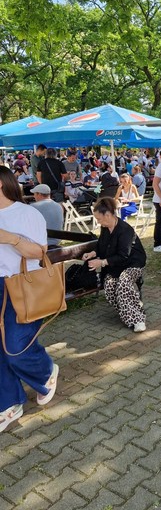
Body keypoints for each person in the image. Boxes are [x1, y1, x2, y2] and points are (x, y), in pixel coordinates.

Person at [0, 167, 59, 432]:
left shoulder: (27, 213)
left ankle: (45, 371)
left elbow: (39, 252)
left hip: (21, 286)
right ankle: (9, 402)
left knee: (15, 349)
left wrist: (10, 238)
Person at [82, 197, 147, 333]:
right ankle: (132, 307)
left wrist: (101, 262)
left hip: (133, 263)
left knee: (123, 283)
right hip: (116, 265)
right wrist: (92, 253)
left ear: (107, 215)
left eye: (99, 218)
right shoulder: (105, 228)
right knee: (109, 285)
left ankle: (138, 319)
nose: (98, 221)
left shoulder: (125, 230)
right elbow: (101, 246)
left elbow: (123, 255)